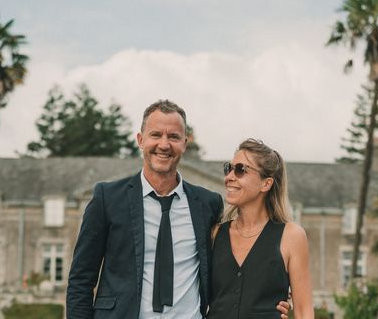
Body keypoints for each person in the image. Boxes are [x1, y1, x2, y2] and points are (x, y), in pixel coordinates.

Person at [66, 100, 291, 319]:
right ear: (140, 140)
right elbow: (80, 280)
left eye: (173, 137)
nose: (164, 145)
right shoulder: (108, 198)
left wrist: (268, 301)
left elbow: (232, 266)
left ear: (184, 143)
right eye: (156, 135)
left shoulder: (208, 204)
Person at [207, 139, 314, 319]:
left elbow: (304, 311)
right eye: (229, 168)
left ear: (266, 184)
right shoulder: (215, 234)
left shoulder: (291, 237)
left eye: (240, 170)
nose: (229, 177)